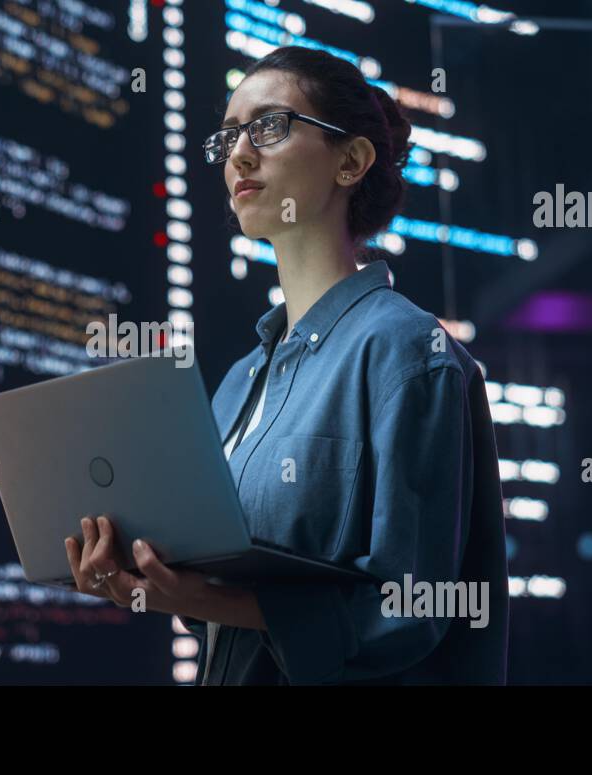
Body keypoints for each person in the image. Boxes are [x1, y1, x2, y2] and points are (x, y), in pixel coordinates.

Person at [65, 46, 508, 685]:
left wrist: (202, 599)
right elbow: (237, 611)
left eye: (269, 127)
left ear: (351, 161)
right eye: (228, 138)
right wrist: (151, 579)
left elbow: (411, 608)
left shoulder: (410, 352)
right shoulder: (239, 386)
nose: (239, 155)